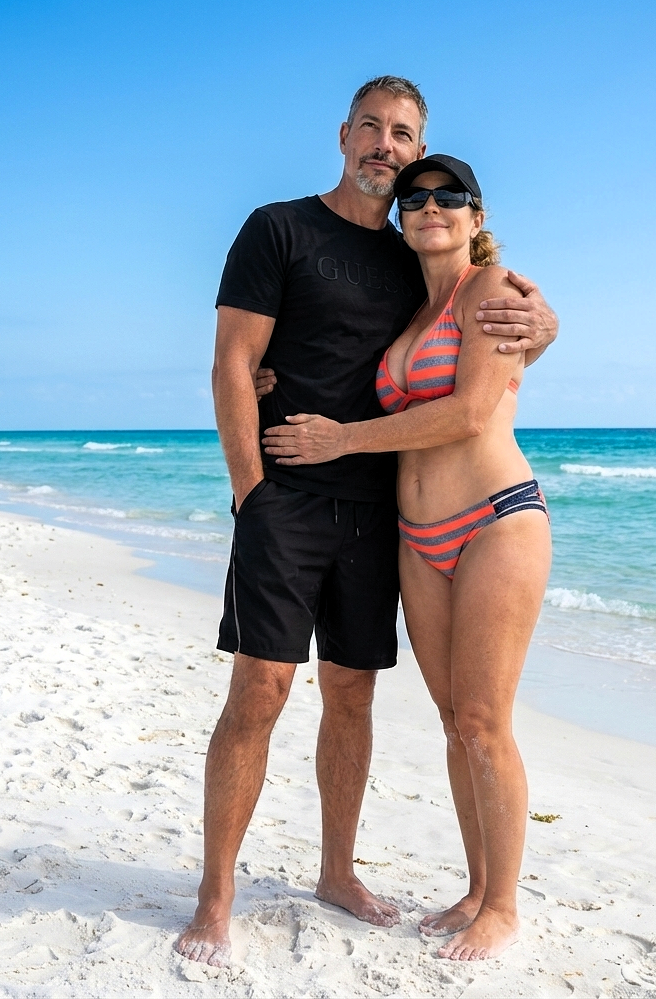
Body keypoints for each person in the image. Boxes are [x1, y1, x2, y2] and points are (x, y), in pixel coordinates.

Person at [176, 76, 557, 968]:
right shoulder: (279, 228)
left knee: (358, 695)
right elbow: (236, 363)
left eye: (407, 139)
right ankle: (214, 895)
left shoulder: (432, 264)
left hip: (389, 514)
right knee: (262, 691)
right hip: (292, 502)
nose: (391, 152)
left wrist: (545, 322)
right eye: (375, 131)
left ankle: (342, 872)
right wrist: (250, 492)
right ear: (344, 134)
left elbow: (484, 357)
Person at [261, 155, 552, 961]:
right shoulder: (408, 311)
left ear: (474, 215)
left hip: (494, 520)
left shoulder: (493, 294)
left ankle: (502, 905)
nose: (430, 206)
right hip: (418, 540)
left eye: (447, 196)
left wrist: (340, 440)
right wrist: (270, 375)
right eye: (416, 197)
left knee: (486, 722)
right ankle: (474, 883)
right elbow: (347, 361)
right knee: (454, 723)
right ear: (401, 216)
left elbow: (466, 411)